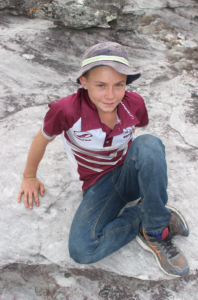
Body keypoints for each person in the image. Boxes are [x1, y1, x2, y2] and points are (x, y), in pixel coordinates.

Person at [18, 42, 189, 277]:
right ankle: (145, 213)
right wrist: (29, 175)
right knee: (83, 250)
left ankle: (156, 228)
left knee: (149, 144)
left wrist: (141, 168)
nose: (110, 95)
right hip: (97, 185)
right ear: (84, 82)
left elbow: (138, 140)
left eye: (118, 85)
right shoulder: (66, 110)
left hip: (129, 173)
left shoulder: (134, 103)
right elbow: (41, 139)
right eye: (101, 85)